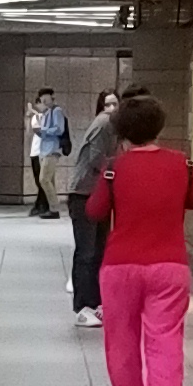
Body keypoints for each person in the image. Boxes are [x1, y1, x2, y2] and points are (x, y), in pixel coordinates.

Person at [84, 95, 193, 386]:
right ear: (159, 126)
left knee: (121, 340)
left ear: (122, 131)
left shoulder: (114, 168)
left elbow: (95, 211)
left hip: (120, 267)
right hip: (169, 265)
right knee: (165, 335)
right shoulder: (180, 164)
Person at [65, 91, 126, 326]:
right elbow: (96, 158)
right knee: (87, 252)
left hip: (97, 193)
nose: (111, 108)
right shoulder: (105, 124)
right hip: (84, 194)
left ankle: (96, 302)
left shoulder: (113, 127)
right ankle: (83, 306)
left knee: (99, 251)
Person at [24, 90, 68, 217]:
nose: (43, 102)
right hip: (45, 150)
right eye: (42, 100)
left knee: (44, 179)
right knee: (48, 180)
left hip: (51, 150)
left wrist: (43, 131)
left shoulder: (56, 111)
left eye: (45, 100)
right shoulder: (48, 112)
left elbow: (59, 129)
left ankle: (53, 208)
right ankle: (52, 207)